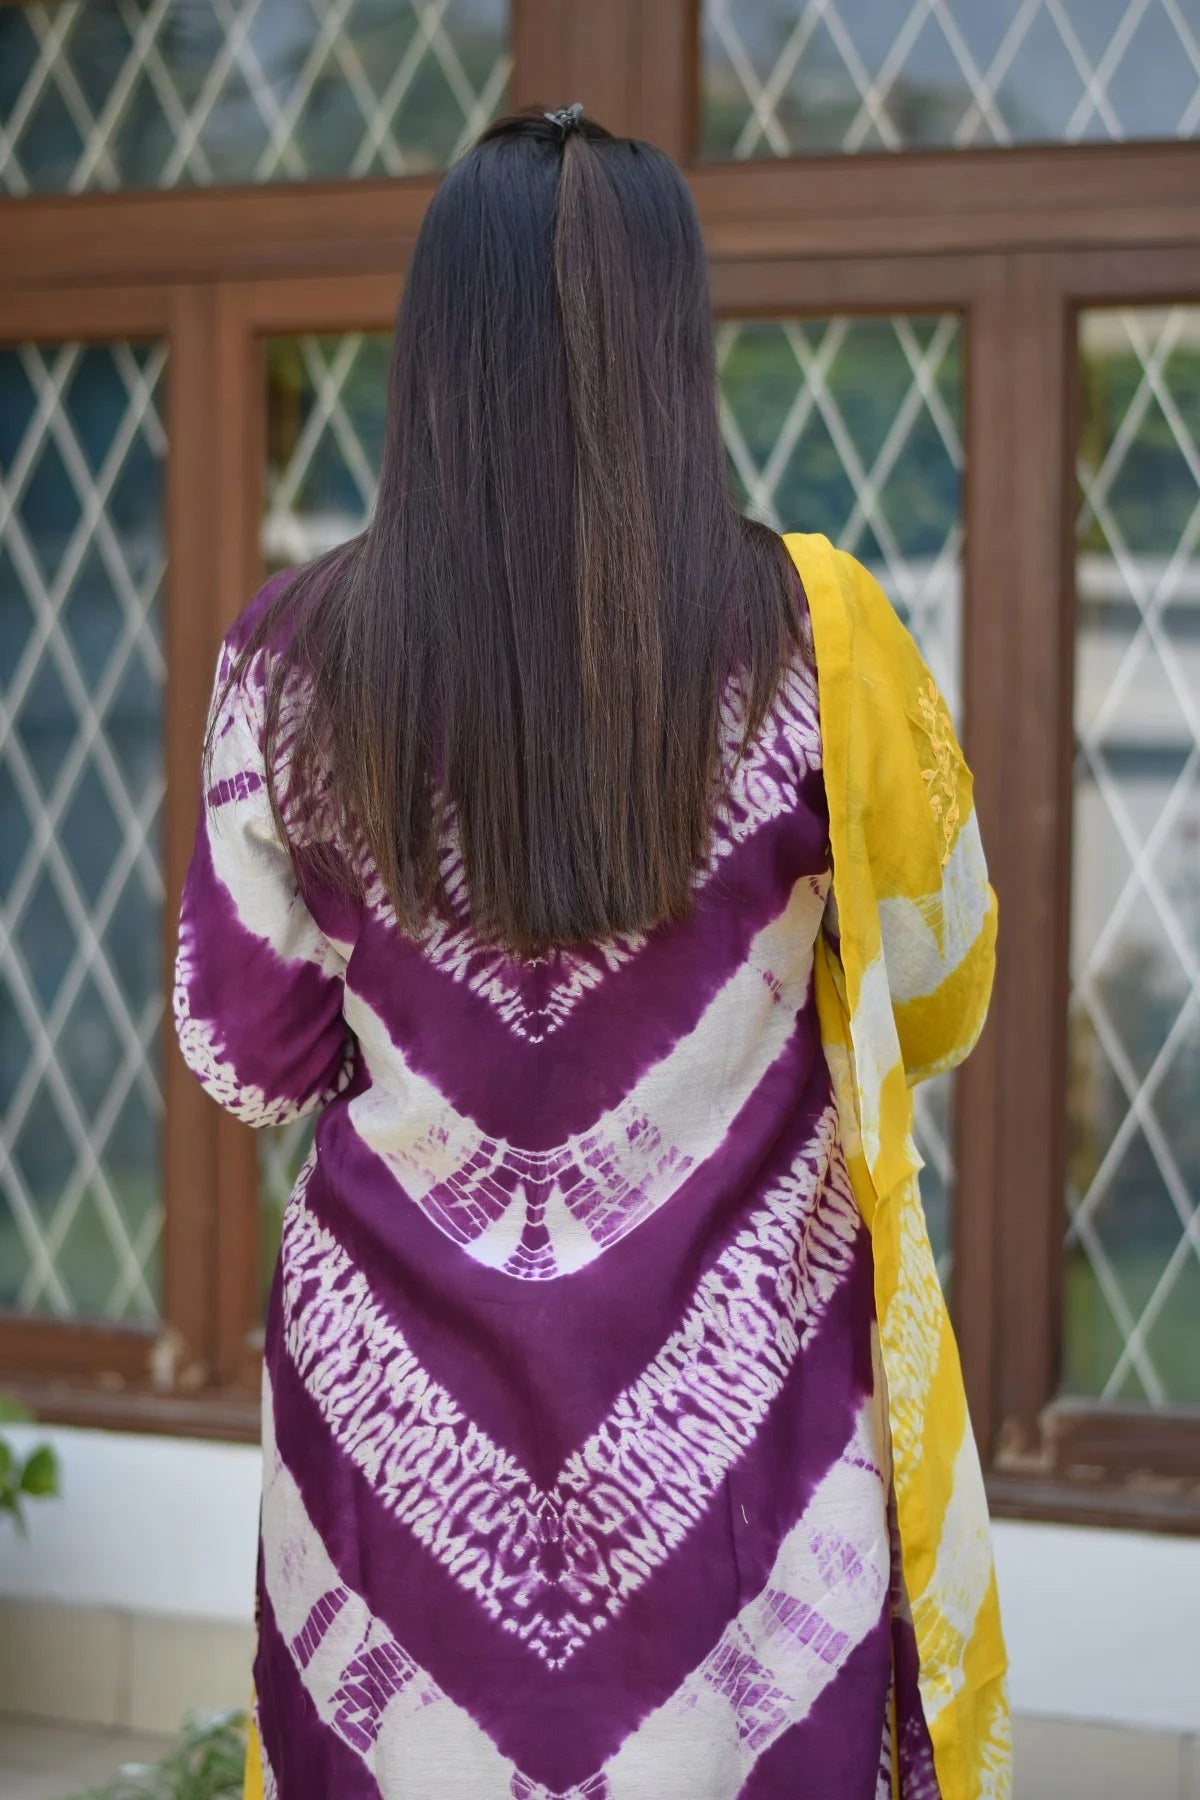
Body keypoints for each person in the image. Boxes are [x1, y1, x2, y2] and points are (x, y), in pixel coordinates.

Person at [174, 103, 1010, 1800]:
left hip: (395, 1451)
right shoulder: (818, 639)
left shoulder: (290, 664)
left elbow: (243, 1056)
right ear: (670, 344)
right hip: (745, 1429)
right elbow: (939, 986)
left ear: (436, 352)